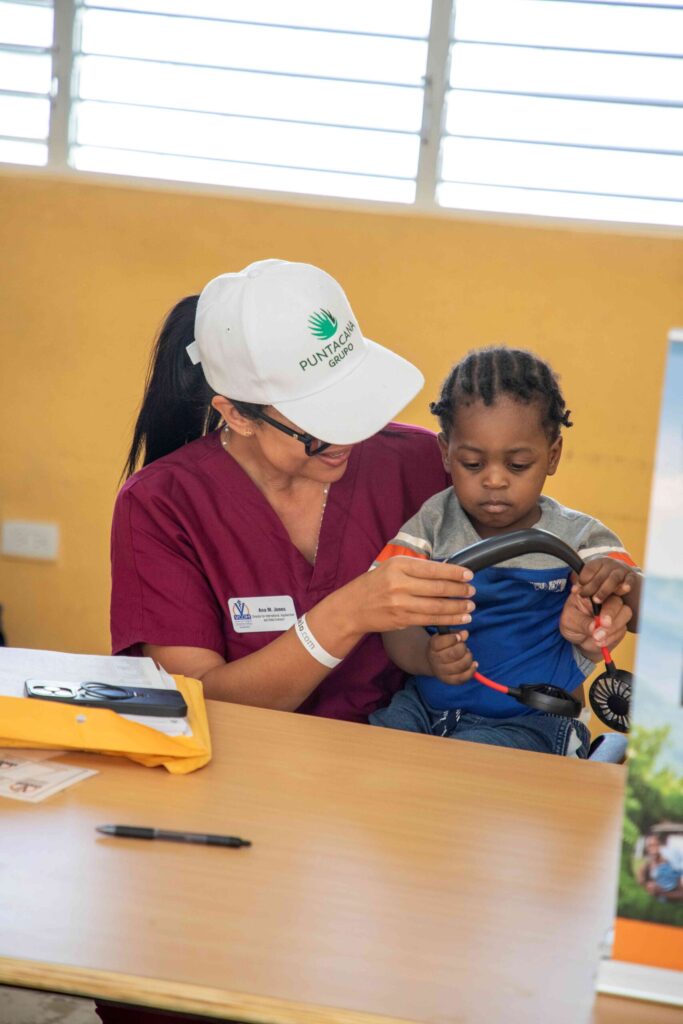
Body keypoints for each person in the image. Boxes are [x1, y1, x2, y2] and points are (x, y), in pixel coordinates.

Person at [110, 259, 475, 726]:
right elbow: (195, 702)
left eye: (355, 406)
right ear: (238, 415)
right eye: (321, 424)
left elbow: (525, 561)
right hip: (246, 775)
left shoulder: (421, 463)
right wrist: (346, 614)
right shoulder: (162, 505)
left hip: (409, 759)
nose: (346, 438)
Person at [369, 346, 641, 758]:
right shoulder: (430, 527)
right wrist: (426, 658)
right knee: (369, 751)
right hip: (425, 708)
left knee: (466, 766)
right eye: (473, 465)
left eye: (517, 466)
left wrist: (617, 580)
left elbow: (642, 605)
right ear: (446, 453)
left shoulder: (580, 536)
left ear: (552, 456)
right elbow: (392, 614)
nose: (494, 481)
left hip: (532, 722)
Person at [638, 834, 683, 901]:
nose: (653, 848)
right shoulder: (644, 868)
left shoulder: (672, 865)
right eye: (650, 846)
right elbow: (642, 889)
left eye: (655, 845)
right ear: (647, 849)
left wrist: (662, 893)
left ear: (660, 846)